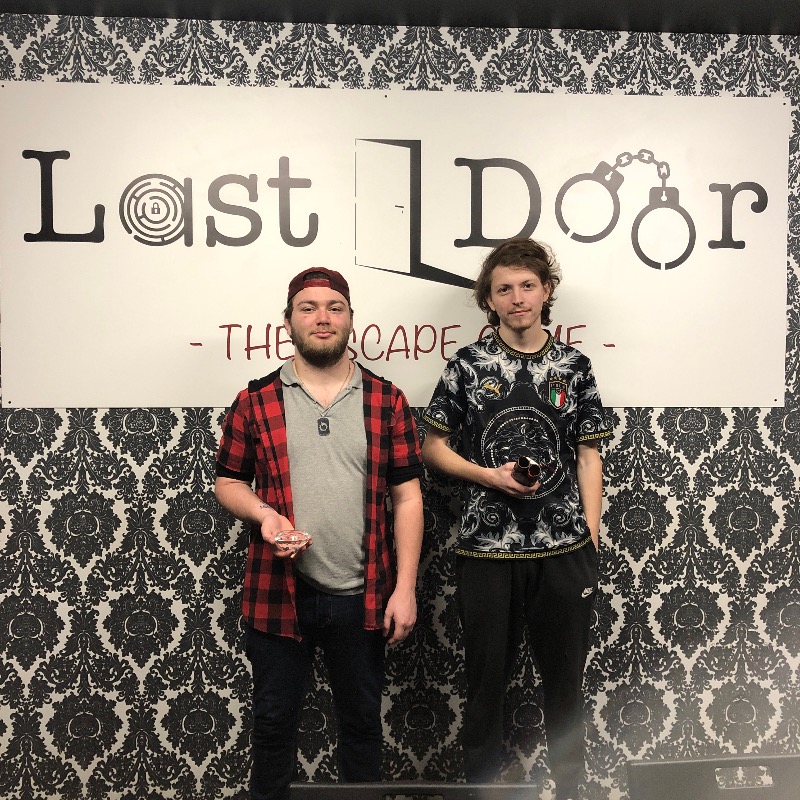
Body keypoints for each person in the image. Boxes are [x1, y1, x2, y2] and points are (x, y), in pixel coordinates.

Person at [215, 267, 424, 800]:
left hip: (364, 595)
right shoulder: (255, 400)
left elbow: (407, 497)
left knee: (362, 728)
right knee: (272, 727)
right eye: (308, 308)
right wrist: (265, 516)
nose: (322, 317)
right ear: (288, 322)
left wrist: (404, 589)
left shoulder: (387, 399)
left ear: (351, 320)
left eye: (335, 307)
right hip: (277, 593)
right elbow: (229, 482)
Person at [421, 238, 611, 800]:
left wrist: (589, 538)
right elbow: (432, 447)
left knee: (566, 689)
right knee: (485, 690)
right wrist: (488, 476)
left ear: (546, 291)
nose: (517, 297)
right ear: (489, 300)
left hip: (564, 551)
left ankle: (571, 792)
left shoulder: (575, 366)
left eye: (528, 285)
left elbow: (589, 456)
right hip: (486, 550)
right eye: (503, 288)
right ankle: (482, 792)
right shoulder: (468, 365)